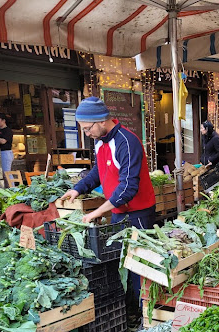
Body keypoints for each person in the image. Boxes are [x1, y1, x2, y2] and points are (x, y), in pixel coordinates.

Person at [59, 97, 156, 303]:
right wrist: (77, 189)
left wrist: (97, 211)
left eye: (87, 128)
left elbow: (128, 188)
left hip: (138, 212)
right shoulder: (100, 142)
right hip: (118, 211)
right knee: (123, 262)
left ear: (102, 121)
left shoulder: (127, 142)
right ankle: (130, 306)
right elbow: (98, 172)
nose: (86, 133)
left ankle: (143, 311)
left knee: (139, 264)